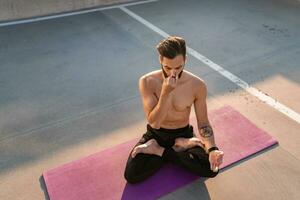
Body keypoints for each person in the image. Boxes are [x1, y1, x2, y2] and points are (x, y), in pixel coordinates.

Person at [124, 36, 224, 184]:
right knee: (132, 174)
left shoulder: (197, 85)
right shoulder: (147, 81)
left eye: (178, 67)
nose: (173, 73)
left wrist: (212, 149)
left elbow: (203, 123)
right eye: (167, 67)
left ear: (185, 60)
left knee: (211, 169)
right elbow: (155, 123)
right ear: (160, 59)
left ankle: (159, 151)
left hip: (183, 133)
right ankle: (172, 150)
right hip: (156, 135)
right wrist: (165, 93)